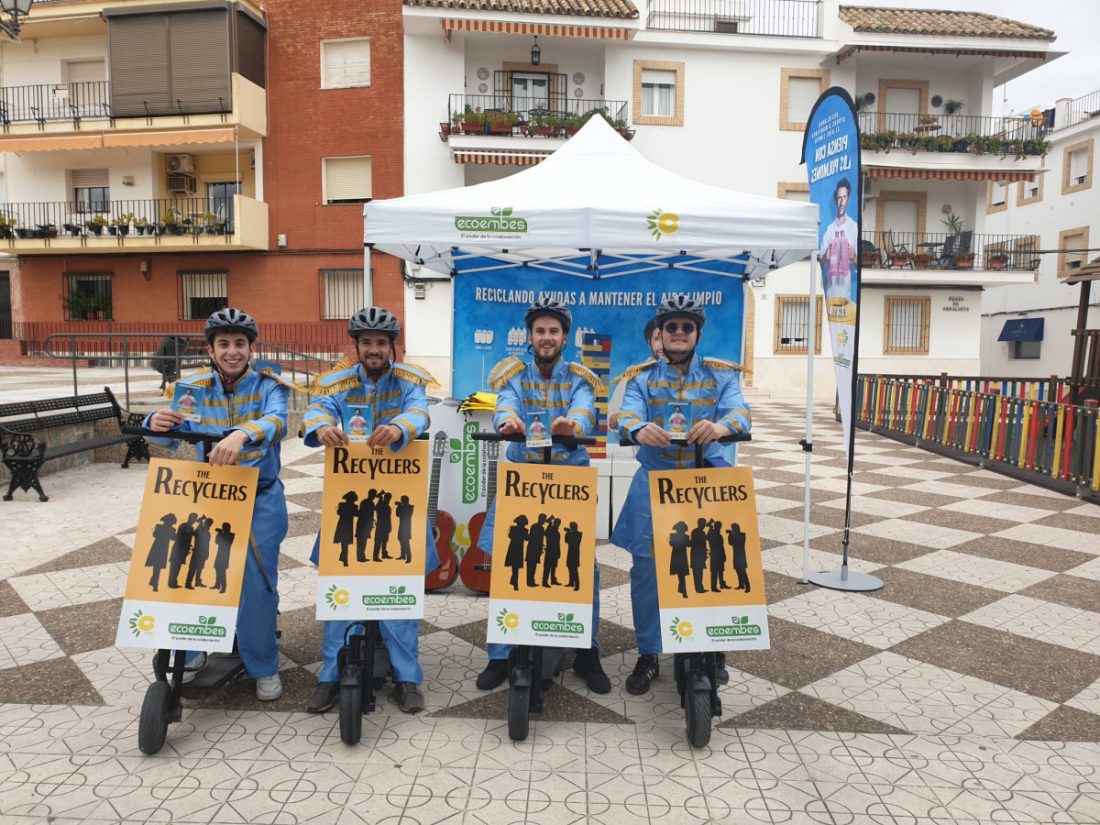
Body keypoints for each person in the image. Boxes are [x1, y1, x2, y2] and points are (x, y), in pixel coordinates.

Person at [146, 307, 294, 701]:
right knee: (193, 573)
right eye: (223, 344)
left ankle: (262, 664)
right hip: (207, 496)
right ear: (210, 349)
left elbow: (280, 421)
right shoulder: (192, 387)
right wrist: (154, 423)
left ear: (251, 348)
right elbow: (172, 434)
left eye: (240, 344)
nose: (232, 352)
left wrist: (242, 434)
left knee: (257, 586)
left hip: (259, 496)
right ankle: (192, 652)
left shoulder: (269, 385)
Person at [610, 296, 751, 695]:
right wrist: (638, 429)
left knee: (714, 563)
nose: (678, 333)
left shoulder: (722, 375)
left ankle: (711, 644)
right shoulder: (640, 376)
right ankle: (650, 652)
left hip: (707, 480)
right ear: (661, 333)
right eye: (670, 327)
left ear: (697, 334)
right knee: (647, 572)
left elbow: (740, 413)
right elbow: (628, 413)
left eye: (686, 327)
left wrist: (722, 428)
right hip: (656, 479)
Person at [303, 306, 440, 715]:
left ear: (392, 346)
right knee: (339, 592)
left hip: (400, 501)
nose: (374, 349)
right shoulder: (337, 382)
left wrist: (400, 427)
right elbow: (318, 408)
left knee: (401, 592)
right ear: (357, 346)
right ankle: (329, 674)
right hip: (350, 500)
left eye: (381, 343)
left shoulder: (410, 381)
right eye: (367, 343)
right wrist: (321, 427)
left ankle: (407, 678)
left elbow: (420, 410)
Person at [475, 297, 610, 694]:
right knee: (507, 559)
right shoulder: (514, 375)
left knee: (585, 566)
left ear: (564, 337)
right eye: (540, 331)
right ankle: (501, 652)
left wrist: (574, 423)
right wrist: (507, 421)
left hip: (568, 480)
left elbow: (587, 410)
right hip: (523, 479)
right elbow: (505, 406)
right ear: (530, 337)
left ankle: (587, 650)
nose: (547, 337)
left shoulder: (581, 377)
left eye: (554, 331)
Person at [608, 318, 663, 431]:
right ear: (649, 342)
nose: (661, 345)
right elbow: (612, 419)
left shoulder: (692, 376)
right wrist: (631, 418)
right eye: (657, 339)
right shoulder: (634, 375)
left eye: (665, 339)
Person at [819, 177, 858, 301]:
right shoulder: (829, 230)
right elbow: (819, 263)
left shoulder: (853, 227)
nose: (841, 202)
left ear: (848, 198)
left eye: (844, 197)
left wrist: (854, 257)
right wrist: (825, 256)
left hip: (846, 297)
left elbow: (861, 264)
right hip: (829, 296)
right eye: (839, 198)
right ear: (836, 199)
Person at [145, 514, 177, 593]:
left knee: (156, 567)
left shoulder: (159, 527)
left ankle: (153, 582)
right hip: (163, 548)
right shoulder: (172, 529)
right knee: (157, 567)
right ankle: (155, 585)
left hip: (156, 547)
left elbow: (154, 535)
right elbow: (173, 538)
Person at [668, 521, 690, 599]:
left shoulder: (676, 536)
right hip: (680, 556)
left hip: (678, 555)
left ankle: (682, 589)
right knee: (681, 574)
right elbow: (689, 544)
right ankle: (683, 590)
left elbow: (671, 544)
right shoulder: (685, 536)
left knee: (681, 574)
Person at [212, 522, 235, 594]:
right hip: (219, 554)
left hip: (224, 556)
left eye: (224, 527)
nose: (223, 528)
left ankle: (223, 587)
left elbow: (223, 541)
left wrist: (220, 533)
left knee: (222, 571)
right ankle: (217, 584)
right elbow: (216, 542)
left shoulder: (231, 535)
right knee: (217, 569)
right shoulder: (222, 534)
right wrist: (219, 533)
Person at [708, 520, 730, 592]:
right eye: (718, 526)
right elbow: (708, 537)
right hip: (714, 555)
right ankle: (713, 587)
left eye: (720, 526)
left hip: (719, 555)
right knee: (714, 571)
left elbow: (721, 546)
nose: (719, 527)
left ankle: (722, 584)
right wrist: (710, 527)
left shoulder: (718, 535)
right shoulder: (712, 533)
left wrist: (724, 555)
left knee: (720, 571)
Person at [727, 523, 750, 593]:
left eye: (733, 528)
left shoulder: (742, 535)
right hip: (736, 555)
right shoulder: (735, 535)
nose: (733, 529)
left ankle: (748, 587)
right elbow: (730, 543)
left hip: (741, 556)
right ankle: (741, 585)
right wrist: (730, 534)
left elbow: (737, 543)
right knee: (738, 571)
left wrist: (731, 534)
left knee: (743, 572)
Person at [564, 521, 583, 591]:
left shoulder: (579, 534)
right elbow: (566, 541)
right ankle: (571, 583)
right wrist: (568, 533)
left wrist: (568, 532)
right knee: (570, 568)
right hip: (570, 554)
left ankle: (577, 585)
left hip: (575, 555)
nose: (571, 528)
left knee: (574, 570)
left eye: (572, 526)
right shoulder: (571, 533)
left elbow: (572, 540)